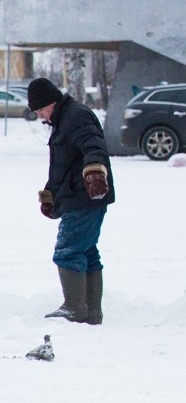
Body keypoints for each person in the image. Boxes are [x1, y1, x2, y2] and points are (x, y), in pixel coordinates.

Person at [31, 77, 115, 325]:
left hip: (85, 196)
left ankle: (74, 308)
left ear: (50, 102)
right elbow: (63, 165)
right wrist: (50, 194)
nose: (39, 116)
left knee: (67, 251)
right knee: (86, 250)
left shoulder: (76, 116)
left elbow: (94, 145)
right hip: (79, 195)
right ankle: (91, 312)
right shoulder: (63, 119)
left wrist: (95, 172)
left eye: (39, 110)